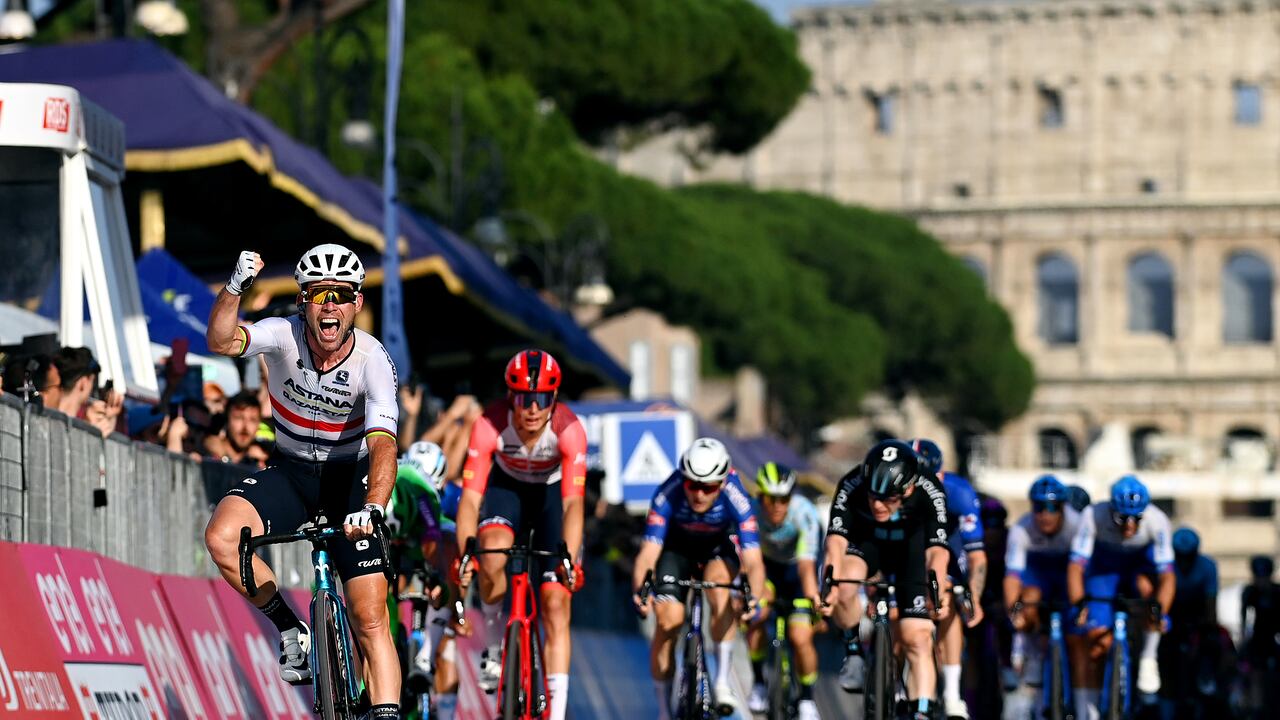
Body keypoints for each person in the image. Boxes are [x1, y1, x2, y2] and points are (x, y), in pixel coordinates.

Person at [202, 245, 404, 720]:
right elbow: (221, 341)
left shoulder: (373, 359)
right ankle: (291, 628)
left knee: (369, 616)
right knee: (222, 536)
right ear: (302, 302)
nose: (329, 305)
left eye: (341, 295)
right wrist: (234, 288)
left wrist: (373, 507)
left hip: (351, 481)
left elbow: (383, 446)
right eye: (318, 294)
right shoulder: (282, 335)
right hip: (292, 472)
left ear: (357, 303)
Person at [453, 349, 587, 720]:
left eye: (541, 398)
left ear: (554, 397)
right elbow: (470, 499)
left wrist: (569, 558)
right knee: (491, 552)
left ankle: (557, 712)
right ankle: (494, 645)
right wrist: (466, 554)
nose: (532, 408)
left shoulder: (570, 429)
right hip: (506, 490)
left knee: (556, 604)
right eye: (524, 399)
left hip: (550, 499)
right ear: (510, 397)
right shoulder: (489, 424)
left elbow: (574, 504)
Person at [632, 437, 767, 719]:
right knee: (668, 621)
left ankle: (722, 682)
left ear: (722, 482)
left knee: (720, 591)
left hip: (716, 549)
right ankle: (663, 709)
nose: (700, 494)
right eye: (693, 485)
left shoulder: (737, 495)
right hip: (676, 550)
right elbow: (648, 553)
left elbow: (754, 561)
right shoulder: (668, 492)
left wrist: (753, 598)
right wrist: (641, 591)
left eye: (709, 487)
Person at [822, 439, 951, 720]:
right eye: (872, 496)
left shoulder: (930, 489)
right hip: (867, 544)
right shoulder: (851, 483)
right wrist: (829, 587)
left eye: (888, 498)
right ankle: (853, 651)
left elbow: (937, 553)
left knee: (917, 637)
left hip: (911, 551)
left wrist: (937, 593)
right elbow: (835, 543)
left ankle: (922, 711)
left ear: (909, 489)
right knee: (844, 585)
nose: (878, 505)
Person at [1068, 474, 1175, 716]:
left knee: (1150, 593)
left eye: (1136, 518)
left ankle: (1148, 656)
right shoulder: (1093, 515)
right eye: (1122, 518)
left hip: (1139, 565)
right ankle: (1092, 709)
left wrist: (1159, 609)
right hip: (1104, 569)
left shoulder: (1157, 520)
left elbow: (1167, 576)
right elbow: (1076, 566)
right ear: (1111, 510)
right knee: (1096, 642)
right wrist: (1079, 603)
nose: (1129, 525)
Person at [911, 438, 986, 720]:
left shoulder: (959, 492)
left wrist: (973, 595)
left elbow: (976, 556)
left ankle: (952, 694)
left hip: (950, 547)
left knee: (948, 600)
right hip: (912, 546)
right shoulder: (898, 490)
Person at [386, 441, 459, 719]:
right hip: (394, 538)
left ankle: (427, 649)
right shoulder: (402, 482)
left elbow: (433, 538)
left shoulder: (423, 491)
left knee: (448, 543)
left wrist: (438, 577)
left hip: (422, 536)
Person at [745, 462, 822, 720]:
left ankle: (807, 698)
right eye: (771, 498)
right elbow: (748, 560)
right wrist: (753, 594)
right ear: (760, 496)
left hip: (797, 573)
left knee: (800, 637)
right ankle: (758, 682)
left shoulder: (804, 513)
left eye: (784, 499)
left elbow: (807, 565)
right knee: (756, 617)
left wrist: (813, 600)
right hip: (766, 570)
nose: (778, 505)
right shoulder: (751, 512)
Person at [1004, 475, 1081, 690]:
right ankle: (1035, 654)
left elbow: (1084, 570)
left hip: (1068, 572)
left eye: (1052, 507)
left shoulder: (1077, 524)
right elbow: (1012, 576)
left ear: (1063, 507)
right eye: (1039, 507)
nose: (1045, 514)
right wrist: (1014, 612)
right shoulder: (1021, 529)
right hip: (1038, 573)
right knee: (1028, 600)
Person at [1240, 555, 1280, 716]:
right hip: (1258, 640)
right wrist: (1244, 641)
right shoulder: (1250, 593)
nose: (1261, 581)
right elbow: (1245, 620)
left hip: (1275, 639)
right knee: (1255, 675)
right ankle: (1257, 709)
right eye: (1258, 577)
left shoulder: (1277, 592)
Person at [206, 391, 265, 466]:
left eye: (252, 420)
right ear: (227, 419)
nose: (245, 427)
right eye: (239, 418)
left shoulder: (263, 460)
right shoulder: (207, 454)